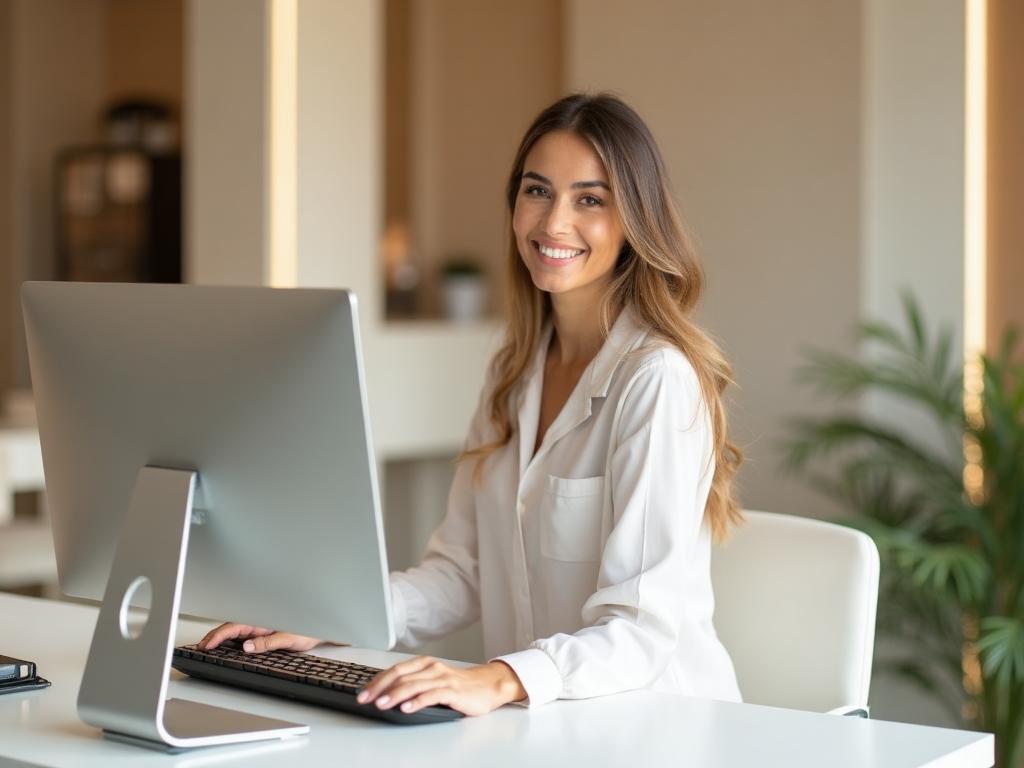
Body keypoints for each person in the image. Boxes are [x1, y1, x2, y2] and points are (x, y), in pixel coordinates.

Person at [201, 93, 744, 717]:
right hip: (543, 727)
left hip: (658, 726)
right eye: (537, 191)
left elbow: (642, 629)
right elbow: (461, 573)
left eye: (589, 200)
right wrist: (323, 617)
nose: (553, 223)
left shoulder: (657, 380)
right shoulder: (512, 373)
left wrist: (497, 678)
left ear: (634, 221)